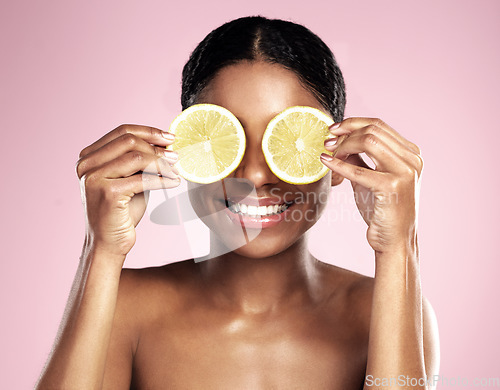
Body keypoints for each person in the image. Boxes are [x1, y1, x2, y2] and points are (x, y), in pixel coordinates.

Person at [36, 16, 439, 389]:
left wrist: (398, 247)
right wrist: (101, 249)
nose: (255, 174)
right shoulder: (125, 307)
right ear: (189, 151)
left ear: (338, 161)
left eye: (287, 142)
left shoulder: (387, 310)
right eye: (228, 140)